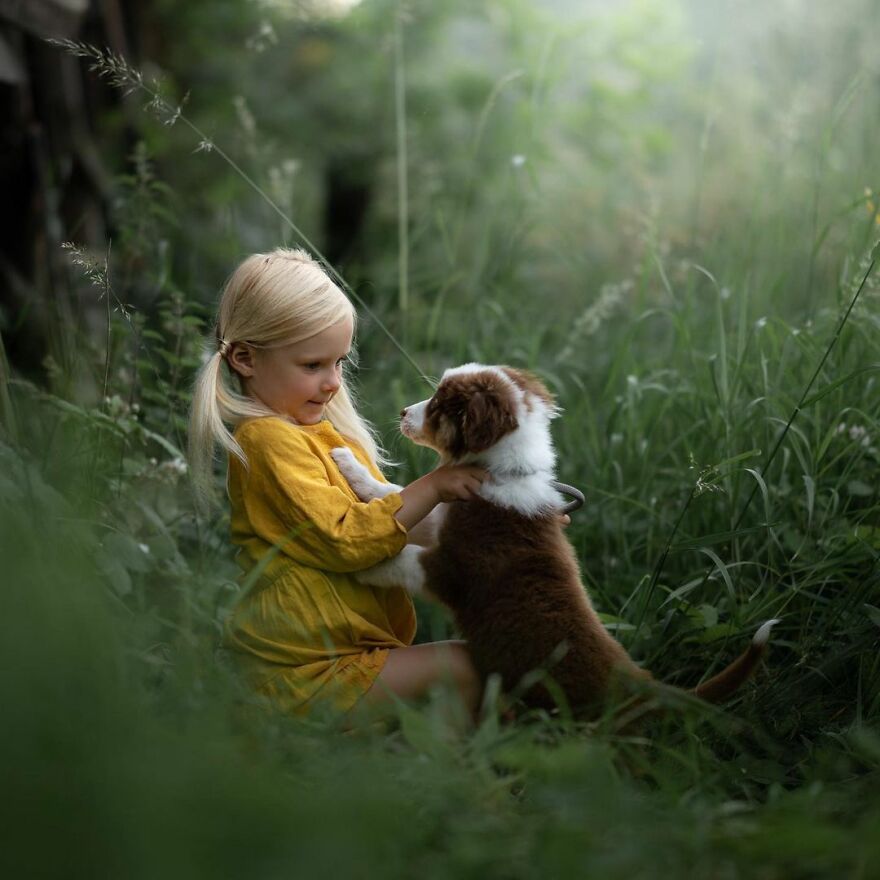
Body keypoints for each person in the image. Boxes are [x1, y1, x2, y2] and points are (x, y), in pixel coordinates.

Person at [188, 247, 485, 722]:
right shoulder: (267, 441)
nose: (332, 383)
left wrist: (503, 519)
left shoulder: (321, 436)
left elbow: (394, 524)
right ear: (245, 358)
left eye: (339, 362)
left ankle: (437, 779)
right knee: (466, 667)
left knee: (480, 670)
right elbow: (349, 536)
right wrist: (434, 485)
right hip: (301, 673)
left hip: (343, 654)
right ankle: (456, 790)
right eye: (312, 366)